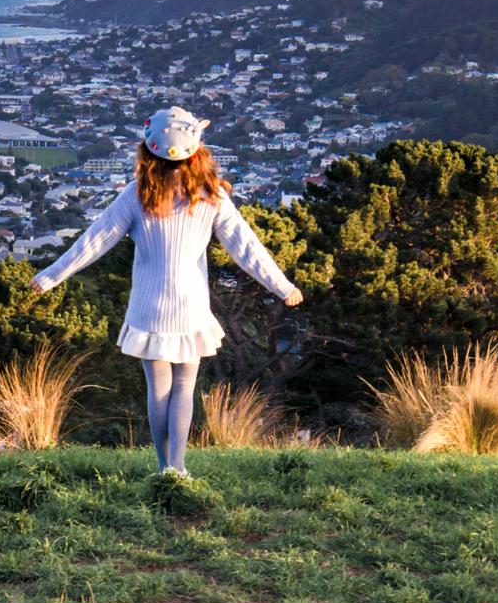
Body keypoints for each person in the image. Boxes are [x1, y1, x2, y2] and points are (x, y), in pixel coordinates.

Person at [30, 106, 302, 477]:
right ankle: (179, 467)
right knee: (184, 388)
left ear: (148, 150)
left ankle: (163, 468)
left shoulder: (137, 194)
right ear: (198, 151)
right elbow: (246, 247)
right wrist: (281, 286)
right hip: (190, 307)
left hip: (148, 309)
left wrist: (49, 276)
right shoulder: (211, 197)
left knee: (158, 390)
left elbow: (93, 242)